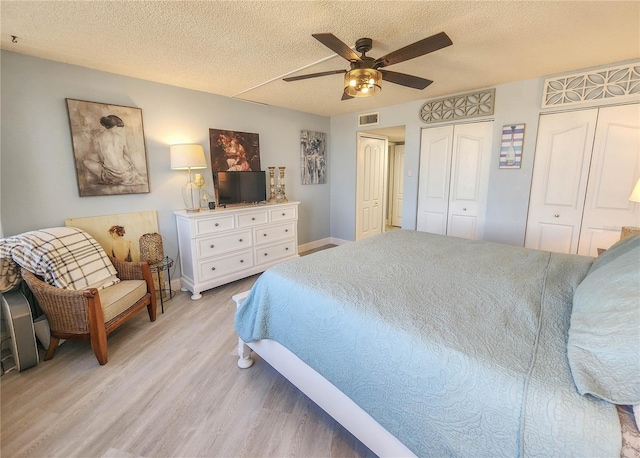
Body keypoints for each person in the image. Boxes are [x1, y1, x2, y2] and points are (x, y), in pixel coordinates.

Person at [84, 115, 145, 186]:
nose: (120, 130)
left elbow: (101, 157)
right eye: (120, 128)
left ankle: (113, 178)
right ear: (114, 126)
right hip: (128, 173)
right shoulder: (120, 138)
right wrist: (133, 170)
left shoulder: (98, 137)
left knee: (86, 162)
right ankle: (125, 177)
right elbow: (128, 154)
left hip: (110, 173)